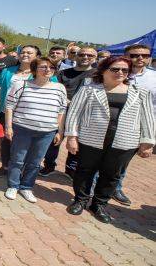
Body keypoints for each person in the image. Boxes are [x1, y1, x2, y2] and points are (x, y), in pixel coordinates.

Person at [65, 56, 154, 223]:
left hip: (124, 141)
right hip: (91, 138)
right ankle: (80, 200)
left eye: (125, 70)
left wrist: (147, 142)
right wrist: (71, 137)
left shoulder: (140, 93)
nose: (120, 72)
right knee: (85, 170)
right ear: (104, 70)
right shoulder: (88, 89)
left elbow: (148, 118)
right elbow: (74, 114)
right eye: (115, 69)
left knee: (112, 174)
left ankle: (99, 204)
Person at [4, 57, 67, 203]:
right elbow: (9, 106)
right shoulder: (22, 84)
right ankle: (13, 185)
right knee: (18, 159)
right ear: (34, 70)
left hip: (47, 132)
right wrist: (8, 126)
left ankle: (26, 187)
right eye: (43, 67)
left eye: (51, 68)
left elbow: (61, 110)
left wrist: (60, 131)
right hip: (22, 128)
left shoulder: (59, 88)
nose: (48, 70)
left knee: (35, 161)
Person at [40, 47, 97, 178]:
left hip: (84, 114)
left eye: (90, 55)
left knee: (77, 142)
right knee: (54, 140)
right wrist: (64, 100)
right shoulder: (63, 73)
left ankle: (71, 169)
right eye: (82, 54)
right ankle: (49, 165)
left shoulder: (98, 75)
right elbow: (53, 88)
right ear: (75, 56)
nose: (85, 57)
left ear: (95, 58)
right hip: (62, 111)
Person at [0, 45, 49, 177]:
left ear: (37, 56)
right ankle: (6, 166)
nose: (25, 54)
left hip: (29, 113)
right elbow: (0, 89)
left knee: (25, 145)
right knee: (6, 140)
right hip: (6, 111)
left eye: (29, 53)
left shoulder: (43, 72)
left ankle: (20, 170)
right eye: (22, 52)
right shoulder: (7, 71)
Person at [116, 43, 156, 205]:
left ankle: (115, 187)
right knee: (102, 157)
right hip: (112, 122)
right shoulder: (115, 72)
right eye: (134, 55)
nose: (140, 58)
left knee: (123, 160)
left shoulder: (153, 78)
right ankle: (94, 186)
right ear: (126, 56)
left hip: (138, 126)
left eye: (145, 56)